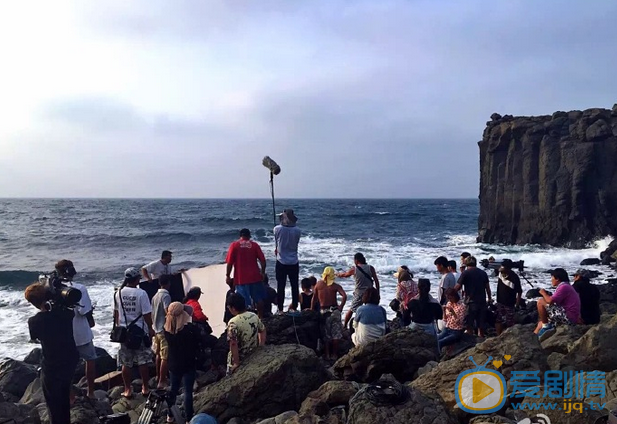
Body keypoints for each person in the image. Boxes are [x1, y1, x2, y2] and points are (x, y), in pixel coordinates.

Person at [25, 283, 79, 424]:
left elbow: (35, 337)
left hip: (52, 364)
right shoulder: (65, 314)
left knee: (54, 404)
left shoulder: (34, 321)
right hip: (70, 359)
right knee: (64, 399)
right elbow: (69, 311)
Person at [55, 259, 97, 398]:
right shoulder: (79, 289)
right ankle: (90, 392)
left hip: (62, 334)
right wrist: (92, 320)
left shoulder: (54, 288)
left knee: (67, 366)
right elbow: (84, 311)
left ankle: (70, 395)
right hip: (81, 332)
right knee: (90, 360)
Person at [114, 267, 155, 397]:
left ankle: (127, 389)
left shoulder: (118, 293)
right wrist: (150, 328)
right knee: (143, 361)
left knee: (126, 362)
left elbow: (116, 313)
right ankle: (145, 387)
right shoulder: (141, 293)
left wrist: (117, 327)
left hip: (124, 333)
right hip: (139, 332)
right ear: (137, 279)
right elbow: (147, 314)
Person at [164, 302, 201, 423]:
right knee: (187, 392)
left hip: (174, 364)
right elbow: (198, 342)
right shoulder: (189, 330)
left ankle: (170, 415)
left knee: (173, 389)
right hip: (188, 363)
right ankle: (189, 418)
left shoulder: (167, 331)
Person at [225, 228, 267, 317]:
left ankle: (245, 320)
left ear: (240, 236)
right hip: (255, 276)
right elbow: (263, 261)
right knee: (258, 299)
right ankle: (260, 318)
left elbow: (230, 263)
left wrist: (228, 275)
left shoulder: (234, 245)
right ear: (249, 236)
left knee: (243, 301)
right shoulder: (254, 245)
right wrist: (262, 273)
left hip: (241, 278)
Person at [312, 267, 347, 360]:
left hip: (324, 312)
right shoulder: (336, 286)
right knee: (336, 334)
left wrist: (311, 310)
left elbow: (314, 299)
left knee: (326, 335)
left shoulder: (318, 285)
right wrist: (341, 307)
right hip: (335, 310)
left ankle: (327, 355)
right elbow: (344, 296)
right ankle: (334, 355)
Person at [226, 293, 266, 374]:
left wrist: (236, 363)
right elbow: (263, 330)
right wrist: (261, 345)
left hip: (241, 357)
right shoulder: (253, 315)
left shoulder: (233, 322)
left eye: (229, 307)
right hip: (253, 354)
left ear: (233, 308)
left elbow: (233, 343)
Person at [337, 253, 380, 328]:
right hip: (369, 293)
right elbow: (376, 281)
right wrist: (377, 292)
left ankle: (344, 326)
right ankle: (371, 325)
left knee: (352, 309)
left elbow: (345, 275)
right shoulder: (370, 268)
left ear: (356, 260)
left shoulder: (354, 269)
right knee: (371, 309)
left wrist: (338, 274)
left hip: (359, 293)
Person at [535, 268, 581, 337]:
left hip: (568, 318)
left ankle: (546, 327)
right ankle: (534, 337)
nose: (551, 280)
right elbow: (555, 302)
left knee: (540, 301)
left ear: (557, 279)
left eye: (552, 278)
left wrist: (543, 293)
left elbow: (550, 301)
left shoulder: (564, 287)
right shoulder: (567, 286)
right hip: (570, 317)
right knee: (540, 324)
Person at [454, 256, 492, 337]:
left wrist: (450, 294)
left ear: (466, 263)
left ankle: (471, 344)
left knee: (469, 326)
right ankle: (481, 342)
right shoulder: (483, 273)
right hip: (482, 302)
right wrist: (489, 298)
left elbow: (457, 287)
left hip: (470, 303)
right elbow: (488, 288)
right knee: (480, 327)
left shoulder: (466, 273)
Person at [274, 209, 302, 312]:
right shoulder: (298, 230)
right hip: (294, 261)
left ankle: (280, 308)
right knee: (294, 285)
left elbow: (277, 239)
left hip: (281, 261)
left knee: (280, 285)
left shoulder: (277, 229)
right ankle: (294, 307)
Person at [152, 274, 172, 389]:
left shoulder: (155, 296)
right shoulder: (165, 295)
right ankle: (162, 380)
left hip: (156, 328)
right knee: (165, 356)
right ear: (168, 283)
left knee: (158, 354)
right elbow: (167, 311)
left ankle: (157, 376)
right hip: (163, 329)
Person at [495, 261, 522, 335]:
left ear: (508, 268)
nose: (501, 268)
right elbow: (493, 267)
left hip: (510, 303)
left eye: (503, 267)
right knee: (498, 320)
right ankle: (498, 336)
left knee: (510, 321)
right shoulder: (500, 273)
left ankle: (509, 336)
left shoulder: (514, 277)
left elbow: (519, 291)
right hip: (500, 301)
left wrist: (517, 303)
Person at [438, 288, 467, 353]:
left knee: (441, 342)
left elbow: (460, 321)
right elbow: (445, 319)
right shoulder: (449, 303)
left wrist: (453, 313)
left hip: (456, 330)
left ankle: (438, 356)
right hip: (448, 328)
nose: (449, 300)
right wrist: (444, 311)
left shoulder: (461, 306)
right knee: (436, 338)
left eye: (450, 298)